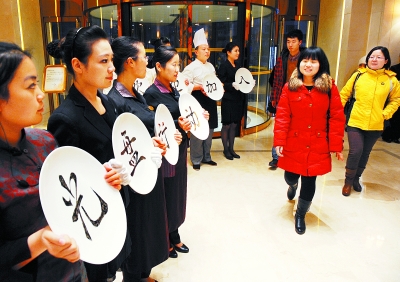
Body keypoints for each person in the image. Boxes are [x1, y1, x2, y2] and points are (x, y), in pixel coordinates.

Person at [47, 26, 132, 282]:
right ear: (78, 65)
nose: (112, 69)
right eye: (103, 61)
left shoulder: (106, 101)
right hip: (90, 225)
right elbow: (67, 186)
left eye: (111, 61)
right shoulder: (65, 118)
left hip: (117, 207)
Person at [0, 41, 84, 281]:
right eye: (30, 86)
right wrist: (40, 240)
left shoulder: (44, 140)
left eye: (37, 83)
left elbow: (72, 193)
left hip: (73, 268)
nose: (40, 94)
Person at [107, 36, 170, 282]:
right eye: (144, 56)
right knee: (138, 228)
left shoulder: (137, 92)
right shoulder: (115, 101)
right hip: (133, 180)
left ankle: (144, 273)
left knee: (150, 227)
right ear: (131, 62)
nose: (148, 61)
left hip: (148, 172)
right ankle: (135, 275)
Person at [274, 47, 345, 234]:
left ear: (320, 64)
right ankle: (292, 184)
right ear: (300, 63)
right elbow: (282, 116)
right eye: (305, 60)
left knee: (310, 180)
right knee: (290, 176)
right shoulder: (290, 87)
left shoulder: (330, 88)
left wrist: (336, 145)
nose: (308, 64)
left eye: (313, 61)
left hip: (317, 143)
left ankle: (301, 213)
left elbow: (336, 117)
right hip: (293, 141)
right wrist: (279, 142)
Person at [144, 46, 198, 260]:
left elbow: (182, 116)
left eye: (179, 64)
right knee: (167, 194)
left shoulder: (174, 89)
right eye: (173, 64)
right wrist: (177, 124)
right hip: (166, 154)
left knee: (177, 192)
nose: (178, 69)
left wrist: (196, 117)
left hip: (180, 149)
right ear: (158, 66)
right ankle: (166, 236)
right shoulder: (151, 94)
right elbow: (154, 125)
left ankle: (174, 232)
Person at [340, 46, 400, 196]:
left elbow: (396, 100)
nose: (374, 59)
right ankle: (348, 181)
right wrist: (336, 112)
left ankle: (356, 179)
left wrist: (385, 114)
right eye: (372, 56)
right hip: (355, 121)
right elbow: (344, 94)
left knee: (365, 153)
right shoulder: (358, 76)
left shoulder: (391, 80)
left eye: (379, 57)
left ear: (386, 61)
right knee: (356, 151)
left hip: (376, 123)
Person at [182, 28, 218, 170]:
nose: (207, 52)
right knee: (197, 130)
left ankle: (207, 156)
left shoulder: (211, 66)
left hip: (211, 101)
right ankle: (196, 159)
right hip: (197, 101)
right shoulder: (190, 67)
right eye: (203, 49)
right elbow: (184, 85)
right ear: (196, 52)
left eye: (208, 49)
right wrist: (198, 87)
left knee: (210, 129)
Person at [269, 29, 304, 168]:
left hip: (300, 99)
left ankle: (294, 155)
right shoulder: (282, 58)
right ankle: (276, 157)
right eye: (288, 41)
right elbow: (276, 80)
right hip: (283, 98)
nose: (290, 45)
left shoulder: (305, 59)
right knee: (279, 127)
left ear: (300, 42)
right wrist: (274, 98)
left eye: (293, 41)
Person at [217, 42, 245, 160]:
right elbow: (221, 83)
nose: (238, 53)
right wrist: (231, 85)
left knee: (234, 124)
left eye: (238, 51)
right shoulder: (224, 66)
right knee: (227, 125)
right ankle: (226, 149)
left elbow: (243, 79)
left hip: (237, 98)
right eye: (235, 51)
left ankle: (232, 148)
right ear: (228, 53)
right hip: (228, 98)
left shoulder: (238, 65)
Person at [381, 61, 400, 143]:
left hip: (397, 98)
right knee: (393, 118)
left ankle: (396, 136)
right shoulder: (395, 68)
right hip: (394, 96)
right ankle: (388, 135)